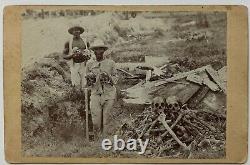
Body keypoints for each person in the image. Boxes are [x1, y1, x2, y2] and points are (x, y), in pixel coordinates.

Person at [85, 39, 118, 137]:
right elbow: (87, 82)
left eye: (101, 49)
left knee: (107, 121)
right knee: (96, 122)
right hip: (95, 94)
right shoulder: (89, 64)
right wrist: (90, 79)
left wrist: (108, 77)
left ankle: (106, 141)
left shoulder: (111, 63)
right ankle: (98, 141)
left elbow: (116, 79)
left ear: (104, 51)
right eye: (96, 50)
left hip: (109, 94)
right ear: (94, 51)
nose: (98, 52)